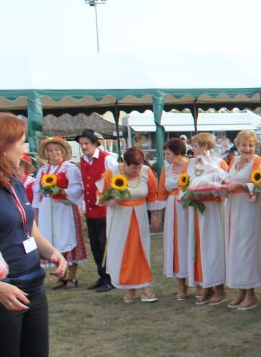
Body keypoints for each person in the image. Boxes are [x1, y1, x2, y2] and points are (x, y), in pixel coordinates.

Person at [0, 113, 70, 357]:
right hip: (5, 295)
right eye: (20, 141)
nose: (25, 146)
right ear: (3, 146)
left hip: (34, 289)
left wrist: (52, 251)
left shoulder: (14, 181)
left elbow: (30, 229)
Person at [100, 147, 161, 304]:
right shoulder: (112, 173)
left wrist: (155, 215)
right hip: (119, 217)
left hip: (139, 216)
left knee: (141, 251)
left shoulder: (146, 172)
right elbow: (100, 195)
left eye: (139, 167)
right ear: (125, 163)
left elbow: (153, 194)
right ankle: (129, 288)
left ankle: (145, 287)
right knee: (123, 251)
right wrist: (108, 201)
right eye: (133, 167)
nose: (137, 171)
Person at [31, 136, 86, 289]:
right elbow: (36, 192)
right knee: (52, 240)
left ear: (62, 152)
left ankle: (72, 277)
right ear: (46, 154)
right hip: (47, 210)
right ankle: (62, 276)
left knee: (68, 238)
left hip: (65, 209)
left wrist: (61, 191)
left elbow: (77, 188)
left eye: (56, 150)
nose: (54, 153)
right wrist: (36, 212)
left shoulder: (70, 168)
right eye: (50, 150)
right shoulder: (43, 171)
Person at [183, 132, 229, 306]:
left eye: (195, 146)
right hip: (196, 211)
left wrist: (207, 193)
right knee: (198, 246)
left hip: (212, 210)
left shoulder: (219, 163)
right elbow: (184, 183)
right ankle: (204, 284)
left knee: (213, 246)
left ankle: (218, 287)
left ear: (205, 146)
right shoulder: (191, 163)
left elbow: (225, 188)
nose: (192, 149)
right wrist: (188, 194)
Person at [224, 130, 261, 310]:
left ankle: (251, 293)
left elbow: (259, 185)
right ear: (237, 145)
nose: (247, 148)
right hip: (233, 206)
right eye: (244, 145)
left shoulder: (258, 161)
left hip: (249, 208)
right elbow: (228, 179)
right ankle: (240, 290)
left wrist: (239, 186)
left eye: (251, 145)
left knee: (247, 248)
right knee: (234, 247)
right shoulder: (233, 161)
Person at [76, 128, 119, 292]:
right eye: (81, 144)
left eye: (86, 143)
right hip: (91, 209)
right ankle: (102, 275)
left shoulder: (107, 159)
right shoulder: (83, 160)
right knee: (95, 245)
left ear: (95, 144)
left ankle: (111, 278)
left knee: (105, 244)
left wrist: (112, 198)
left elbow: (117, 180)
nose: (83, 147)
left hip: (104, 210)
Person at [155, 138, 190, 300]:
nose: (166, 157)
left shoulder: (191, 165)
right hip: (172, 208)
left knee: (190, 241)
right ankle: (181, 284)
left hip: (189, 206)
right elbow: (161, 192)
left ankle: (200, 283)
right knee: (175, 243)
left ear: (178, 153)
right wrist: (158, 216)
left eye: (168, 154)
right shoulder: (167, 169)